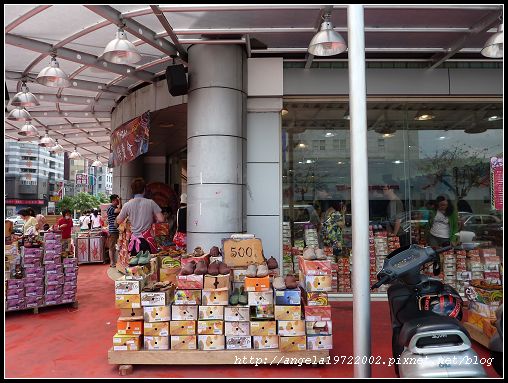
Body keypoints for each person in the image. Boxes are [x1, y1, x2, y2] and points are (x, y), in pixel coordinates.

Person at [116, 178, 164, 258]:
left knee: (135, 268)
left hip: (134, 242)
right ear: (144, 190)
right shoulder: (151, 203)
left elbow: (118, 220)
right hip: (147, 241)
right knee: (149, 267)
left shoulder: (127, 205)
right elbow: (161, 219)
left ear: (132, 190)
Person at [107, 194, 122, 268]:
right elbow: (119, 210)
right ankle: (112, 262)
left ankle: (117, 261)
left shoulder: (115, 207)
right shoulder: (111, 208)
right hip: (113, 231)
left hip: (118, 230)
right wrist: (121, 202)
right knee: (112, 247)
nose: (118, 202)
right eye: (117, 200)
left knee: (119, 246)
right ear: (113, 200)